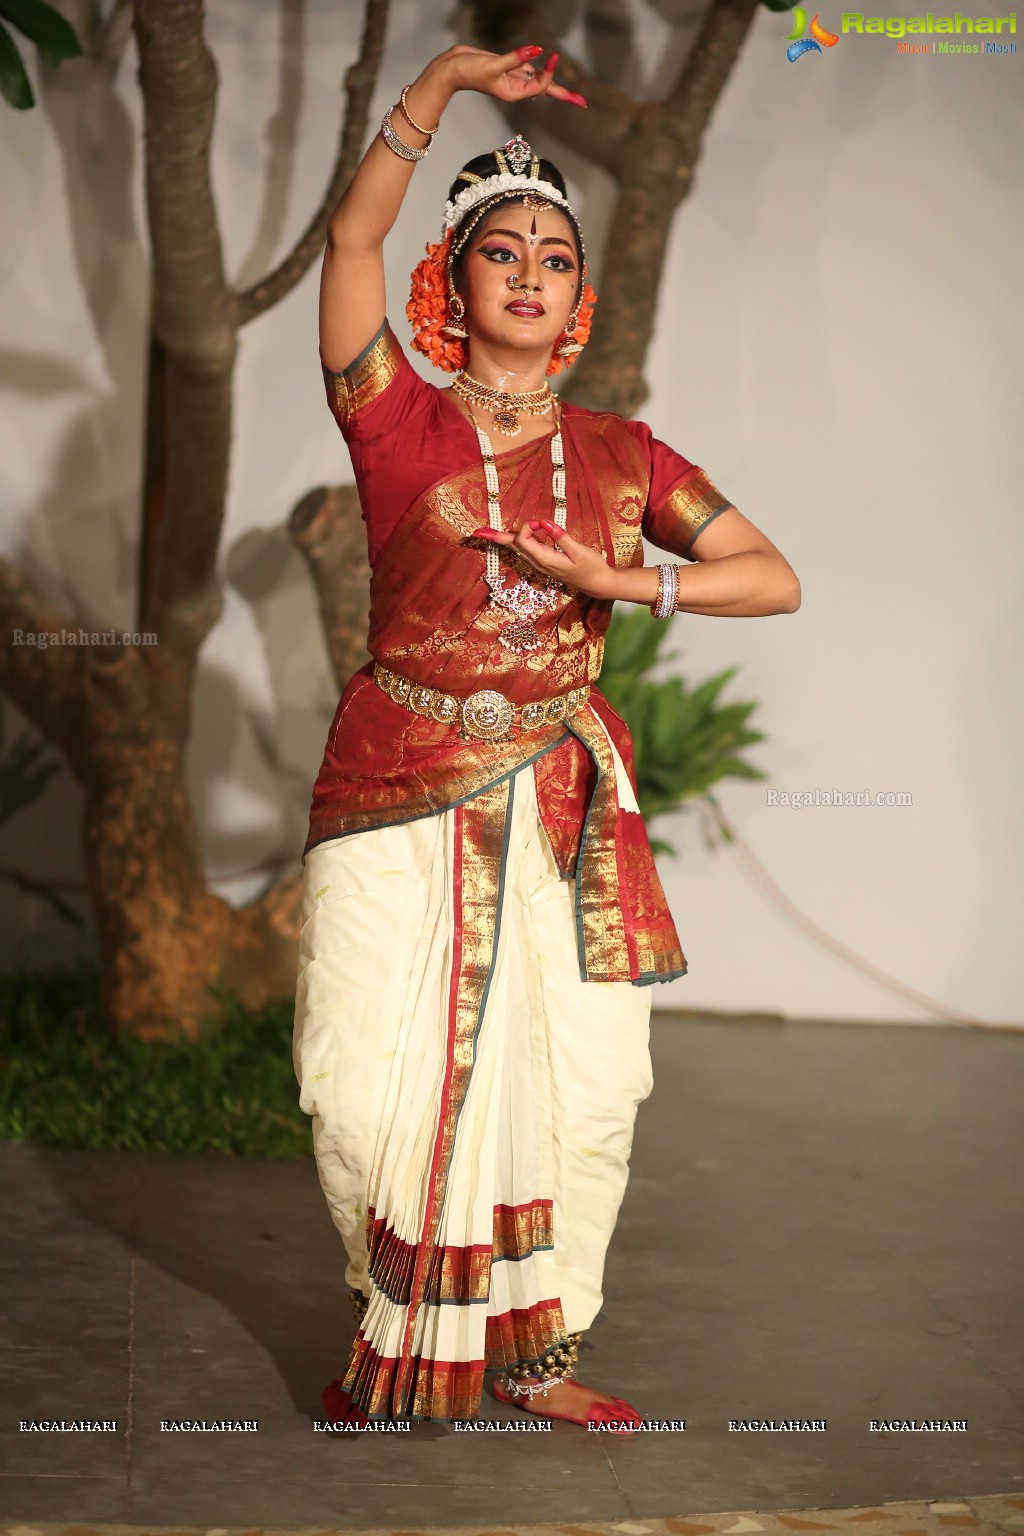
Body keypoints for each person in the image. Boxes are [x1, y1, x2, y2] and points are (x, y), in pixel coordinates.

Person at [292, 42, 800, 1433]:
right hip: (393, 787)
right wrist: (442, 86)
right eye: (499, 251)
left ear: (579, 299)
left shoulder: (629, 460)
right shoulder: (390, 416)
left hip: (563, 798)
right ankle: (390, 1328)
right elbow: (347, 235)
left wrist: (621, 579)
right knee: (354, 1078)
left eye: (555, 258)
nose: (529, 272)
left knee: (583, 1080)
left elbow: (774, 576)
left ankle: (537, 1355)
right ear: (452, 283)